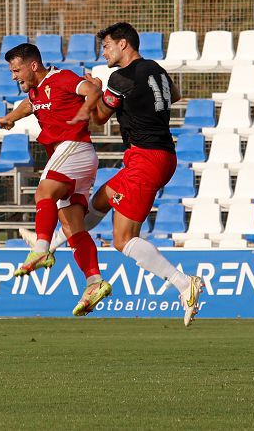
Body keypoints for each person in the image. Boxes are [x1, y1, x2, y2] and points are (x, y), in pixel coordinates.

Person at [75, 22, 205, 326]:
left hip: (146, 157)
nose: (103, 51)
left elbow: (98, 119)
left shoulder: (122, 77)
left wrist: (93, 91)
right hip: (157, 154)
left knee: (123, 239)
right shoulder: (156, 68)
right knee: (100, 201)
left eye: (106, 45)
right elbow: (174, 94)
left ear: (123, 44)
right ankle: (48, 247)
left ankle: (184, 284)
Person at [0, 42, 110, 316]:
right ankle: (94, 281)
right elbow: (30, 105)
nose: (13, 76)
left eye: (16, 69)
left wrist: (86, 108)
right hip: (76, 158)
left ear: (33, 65)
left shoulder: (62, 78)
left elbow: (92, 89)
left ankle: (42, 248)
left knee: (44, 192)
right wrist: (11, 118)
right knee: (72, 228)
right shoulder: (36, 90)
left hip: (74, 147)